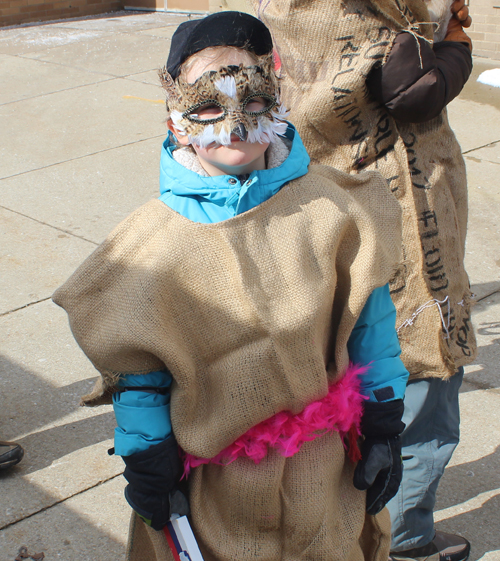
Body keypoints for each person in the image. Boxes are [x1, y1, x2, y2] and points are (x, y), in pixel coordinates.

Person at [54, 12, 410, 561]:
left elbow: (369, 319)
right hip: (217, 493)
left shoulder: (331, 208)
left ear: (278, 102)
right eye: (208, 107)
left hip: (325, 471)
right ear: (177, 120)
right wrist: (147, 456)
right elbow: (140, 373)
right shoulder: (151, 245)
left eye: (254, 102)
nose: (234, 124)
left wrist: (383, 416)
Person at [251, 1, 475, 560]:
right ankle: (402, 536)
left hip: (307, 180)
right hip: (393, 190)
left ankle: (337, 524)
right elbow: (413, 87)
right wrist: (454, 38)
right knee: (420, 372)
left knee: (336, 362)